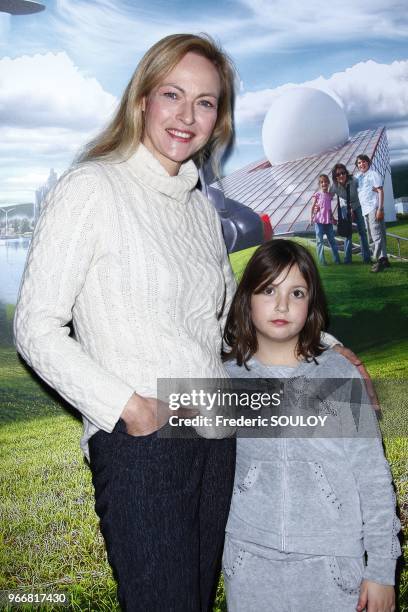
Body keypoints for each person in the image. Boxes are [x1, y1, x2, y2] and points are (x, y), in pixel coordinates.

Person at [13, 34, 238, 612]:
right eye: (173, 94)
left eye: (206, 102)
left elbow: (232, 327)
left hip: (215, 440)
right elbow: (36, 327)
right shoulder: (92, 186)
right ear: (142, 99)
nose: (188, 116)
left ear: (219, 120)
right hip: (144, 444)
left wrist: (333, 353)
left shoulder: (200, 212)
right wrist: (127, 409)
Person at [222, 240, 400, 612]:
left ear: (311, 304)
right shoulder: (223, 380)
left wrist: (382, 569)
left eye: (296, 292)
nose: (282, 304)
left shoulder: (339, 375)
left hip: (333, 565)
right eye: (269, 290)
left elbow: (372, 476)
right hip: (249, 563)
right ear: (246, 300)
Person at [330, 163, 371, 264]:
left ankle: (366, 259)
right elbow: (327, 198)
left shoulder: (353, 180)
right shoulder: (335, 186)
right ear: (335, 177)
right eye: (338, 174)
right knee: (348, 234)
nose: (341, 176)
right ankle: (347, 260)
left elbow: (364, 188)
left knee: (362, 232)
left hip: (358, 206)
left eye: (343, 173)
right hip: (346, 208)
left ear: (346, 173)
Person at [355, 154, 390, 273]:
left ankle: (379, 262)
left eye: (364, 162)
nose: (361, 164)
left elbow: (380, 191)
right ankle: (384, 259)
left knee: (376, 235)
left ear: (368, 163)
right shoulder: (359, 177)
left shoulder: (373, 174)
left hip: (373, 208)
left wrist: (379, 209)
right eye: (359, 163)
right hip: (365, 210)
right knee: (374, 234)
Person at [310, 174, 341, 265]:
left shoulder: (329, 196)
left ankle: (337, 260)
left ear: (328, 183)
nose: (324, 184)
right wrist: (310, 218)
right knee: (320, 241)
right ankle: (322, 261)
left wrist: (333, 218)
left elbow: (329, 208)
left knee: (332, 241)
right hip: (319, 221)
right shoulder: (317, 194)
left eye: (326, 182)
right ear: (319, 184)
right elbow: (312, 207)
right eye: (322, 182)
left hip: (328, 222)